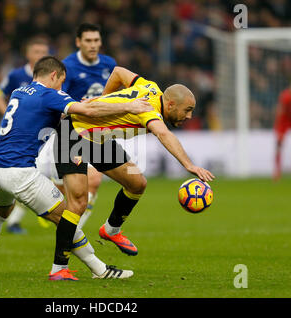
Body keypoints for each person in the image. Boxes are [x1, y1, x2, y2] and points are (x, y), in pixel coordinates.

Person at [0, 56, 153, 281]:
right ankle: (97, 269)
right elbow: (89, 112)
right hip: (19, 173)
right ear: (54, 75)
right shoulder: (50, 94)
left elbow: (47, 115)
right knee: (67, 217)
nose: (62, 87)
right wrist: (129, 106)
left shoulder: (19, 92)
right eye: (61, 82)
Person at [53, 66, 215, 259]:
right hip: (73, 133)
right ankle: (60, 266)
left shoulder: (150, 87)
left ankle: (111, 230)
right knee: (79, 202)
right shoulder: (149, 110)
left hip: (99, 138)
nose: (189, 116)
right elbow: (163, 133)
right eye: (187, 110)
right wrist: (189, 165)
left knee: (137, 184)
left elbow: (118, 72)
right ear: (170, 104)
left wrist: (104, 101)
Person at [41, 23, 117, 230]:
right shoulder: (68, 66)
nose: (93, 45)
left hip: (100, 132)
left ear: (100, 42)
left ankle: (73, 235)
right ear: (78, 42)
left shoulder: (110, 64)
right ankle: (55, 208)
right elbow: (57, 98)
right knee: (69, 191)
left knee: (93, 182)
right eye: (88, 41)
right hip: (71, 131)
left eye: (96, 40)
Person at [0, 37, 50, 234]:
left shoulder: (52, 76)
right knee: (29, 172)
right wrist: (8, 114)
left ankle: (21, 217)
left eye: (44, 51)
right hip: (21, 137)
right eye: (36, 51)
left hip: (46, 134)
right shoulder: (17, 75)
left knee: (49, 172)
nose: (40, 55)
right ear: (28, 54)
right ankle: (19, 218)